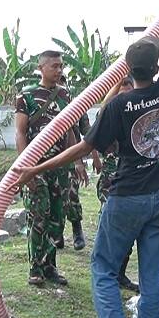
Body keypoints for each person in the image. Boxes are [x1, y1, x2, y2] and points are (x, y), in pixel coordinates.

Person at [12, 0, 159, 318]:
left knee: (103, 269)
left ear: (127, 71)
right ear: (155, 69)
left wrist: (38, 164)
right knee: (152, 283)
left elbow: (82, 147)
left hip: (127, 199)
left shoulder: (118, 105)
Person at [15, 52, 81, 286]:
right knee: (38, 215)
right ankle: (35, 268)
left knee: (57, 217)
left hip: (61, 168)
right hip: (36, 168)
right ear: (41, 67)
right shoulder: (27, 96)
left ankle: (50, 266)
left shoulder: (65, 94)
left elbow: (71, 131)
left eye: (61, 66)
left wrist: (76, 162)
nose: (59, 70)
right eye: (54, 66)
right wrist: (26, 168)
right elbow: (21, 133)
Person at [91, 75, 139, 292]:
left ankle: (119, 274)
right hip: (111, 181)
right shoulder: (109, 116)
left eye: (128, 92)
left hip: (132, 182)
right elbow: (101, 113)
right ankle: (106, 275)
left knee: (128, 234)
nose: (125, 97)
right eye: (121, 93)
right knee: (109, 231)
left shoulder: (137, 114)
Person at [58, 74, 91, 252]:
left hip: (72, 157)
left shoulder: (76, 105)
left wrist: (92, 157)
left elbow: (88, 132)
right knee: (56, 198)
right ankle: (58, 234)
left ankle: (77, 231)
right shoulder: (41, 102)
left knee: (72, 194)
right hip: (52, 158)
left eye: (63, 83)